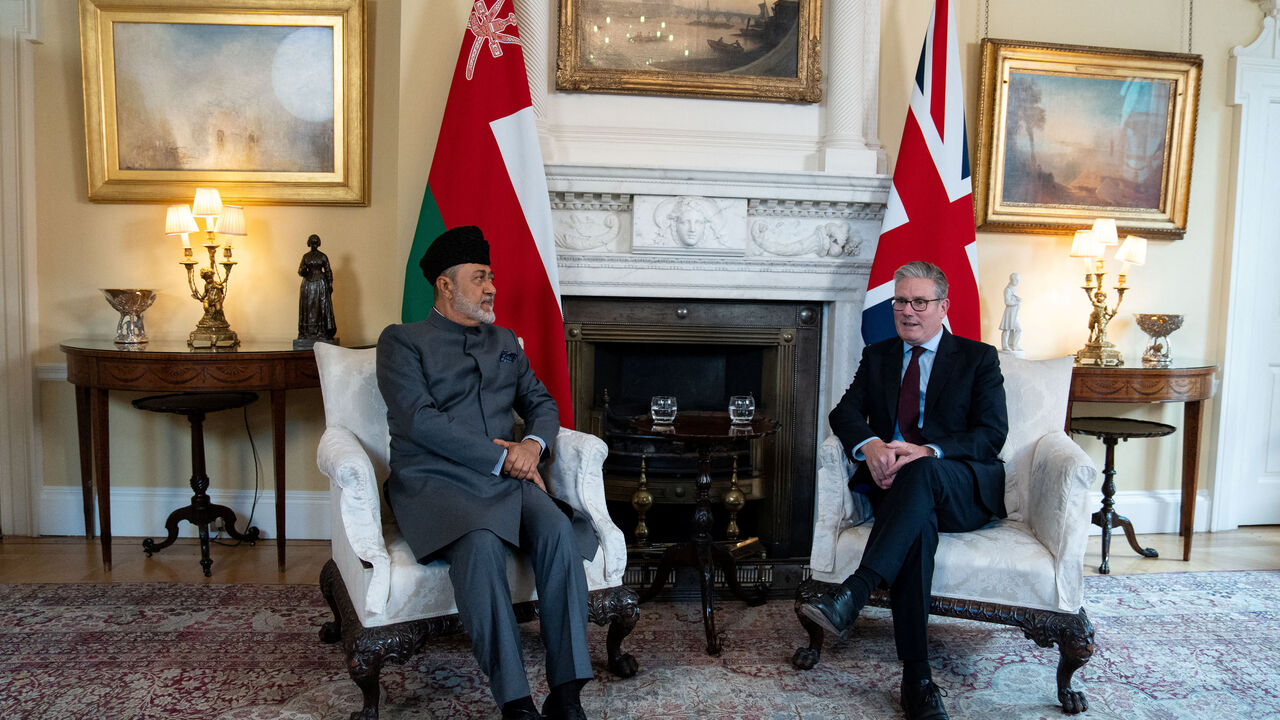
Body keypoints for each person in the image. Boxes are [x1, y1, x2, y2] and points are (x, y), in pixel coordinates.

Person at [376, 226, 598, 720]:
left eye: (491, 276)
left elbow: (540, 402)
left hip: (510, 479)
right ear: (446, 285)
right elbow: (418, 420)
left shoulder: (504, 341)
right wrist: (504, 457)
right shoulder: (401, 341)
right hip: (437, 481)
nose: (492, 287)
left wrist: (533, 445)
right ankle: (516, 703)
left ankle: (567, 693)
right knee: (478, 546)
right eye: (480, 278)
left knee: (560, 531)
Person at [799, 261, 1008, 720]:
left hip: (959, 487)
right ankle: (917, 678)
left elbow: (991, 435)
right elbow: (844, 414)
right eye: (900, 301)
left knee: (922, 470)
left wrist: (928, 451)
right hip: (897, 491)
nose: (907, 311)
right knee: (918, 532)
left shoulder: (978, 358)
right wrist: (871, 445)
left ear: (942, 307)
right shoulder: (879, 355)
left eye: (919, 302)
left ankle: (856, 589)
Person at [296, 233, 337, 347]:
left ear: (318, 243)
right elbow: (300, 270)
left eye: (315, 242)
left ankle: (322, 331)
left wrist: (329, 284)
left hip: (320, 285)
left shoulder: (323, 256)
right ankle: (306, 332)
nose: (314, 244)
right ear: (309, 243)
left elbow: (328, 271)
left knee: (321, 307)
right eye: (312, 242)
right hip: (308, 285)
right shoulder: (305, 256)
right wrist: (303, 271)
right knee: (308, 308)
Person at [1000, 272, 1022, 352]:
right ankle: (1005, 345)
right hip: (1010, 313)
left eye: (1018, 280)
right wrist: (1016, 302)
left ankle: (1014, 345)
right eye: (1017, 280)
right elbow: (1007, 302)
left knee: (1019, 329)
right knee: (1007, 329)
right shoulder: (1008, 289)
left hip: (1015, 314)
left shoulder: (1013, 289)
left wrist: (1017, 300)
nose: (1018, 281)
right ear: (1013, 280)